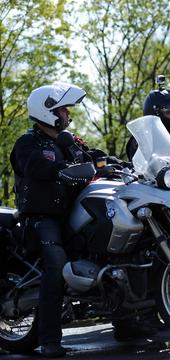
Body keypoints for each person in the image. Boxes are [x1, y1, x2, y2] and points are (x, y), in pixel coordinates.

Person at [11, 82, 93, 357]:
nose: (68, 115)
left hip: (70, 215)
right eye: (63, 109)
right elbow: (35, 167)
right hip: (40, 219)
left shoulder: (69, 141)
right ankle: (49, 340)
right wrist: (61, 170)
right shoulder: (27, 143)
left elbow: (93, 157)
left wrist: (116, 165)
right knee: (55, 262)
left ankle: (130, 323)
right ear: (48, 111)